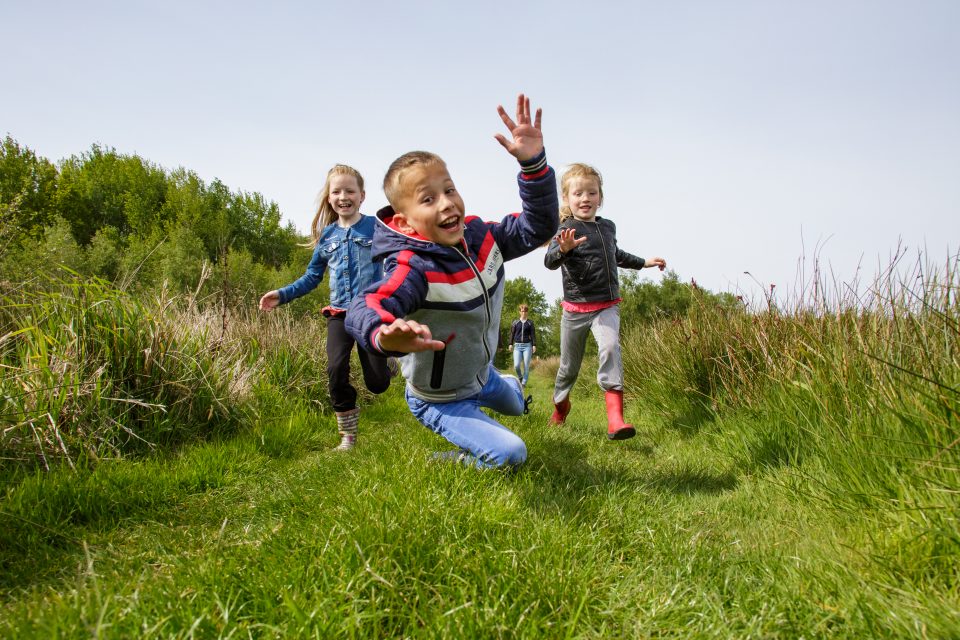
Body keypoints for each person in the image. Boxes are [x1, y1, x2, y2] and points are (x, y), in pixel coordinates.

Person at [346, 94, 558, 469]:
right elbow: (365, 305)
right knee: (511, 455)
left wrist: (533, 166)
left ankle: (506, 387)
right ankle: (446, 459)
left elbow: (538, 227)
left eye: (449, 189)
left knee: (517, 402)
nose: (446, 203)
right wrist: (383, 334)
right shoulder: (414, 267)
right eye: (428, 199)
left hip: (482, 376)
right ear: (404, 222)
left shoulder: (482, 237)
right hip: (439, 397)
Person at [259, 164, 394, 451]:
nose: (343, 196)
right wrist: (282, 294)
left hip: (370, 313)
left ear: (362, 196)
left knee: (378, 384)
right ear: (329, 197)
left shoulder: (375, 227)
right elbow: (312, 277)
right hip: (339, 315)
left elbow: (398, 256)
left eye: (350, 190)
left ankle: (388, 363)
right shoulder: (327, 236)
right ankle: (347, 436)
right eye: (337, 191)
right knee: (335, 369)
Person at [543, 163, 666, 440]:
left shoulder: (607, 228)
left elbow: (616, 254)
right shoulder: (565, 230)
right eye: (578, 194)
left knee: (610, 348)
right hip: (575, 309)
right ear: (567, 199)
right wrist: (563, 250)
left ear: (600, 197)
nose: (585, 198)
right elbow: (550, 261)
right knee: (567, 368)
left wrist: (644, 263)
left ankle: (616, 419)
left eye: (591, 192)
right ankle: (560, 408)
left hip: (606, 305)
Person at [508, 304, 536, 386]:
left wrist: (534, 345)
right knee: (516, 365)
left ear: (527, 312)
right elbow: (512, 334)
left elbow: (533, 334)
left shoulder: (530, 323)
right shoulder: (515, 322)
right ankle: (520, 377)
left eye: (525, 311)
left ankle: (523, 383)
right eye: (522, 311)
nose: (524, 313)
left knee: (526, 366)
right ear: (520, 312)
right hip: (517, 346)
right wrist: (510, 344)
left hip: (527, 346)